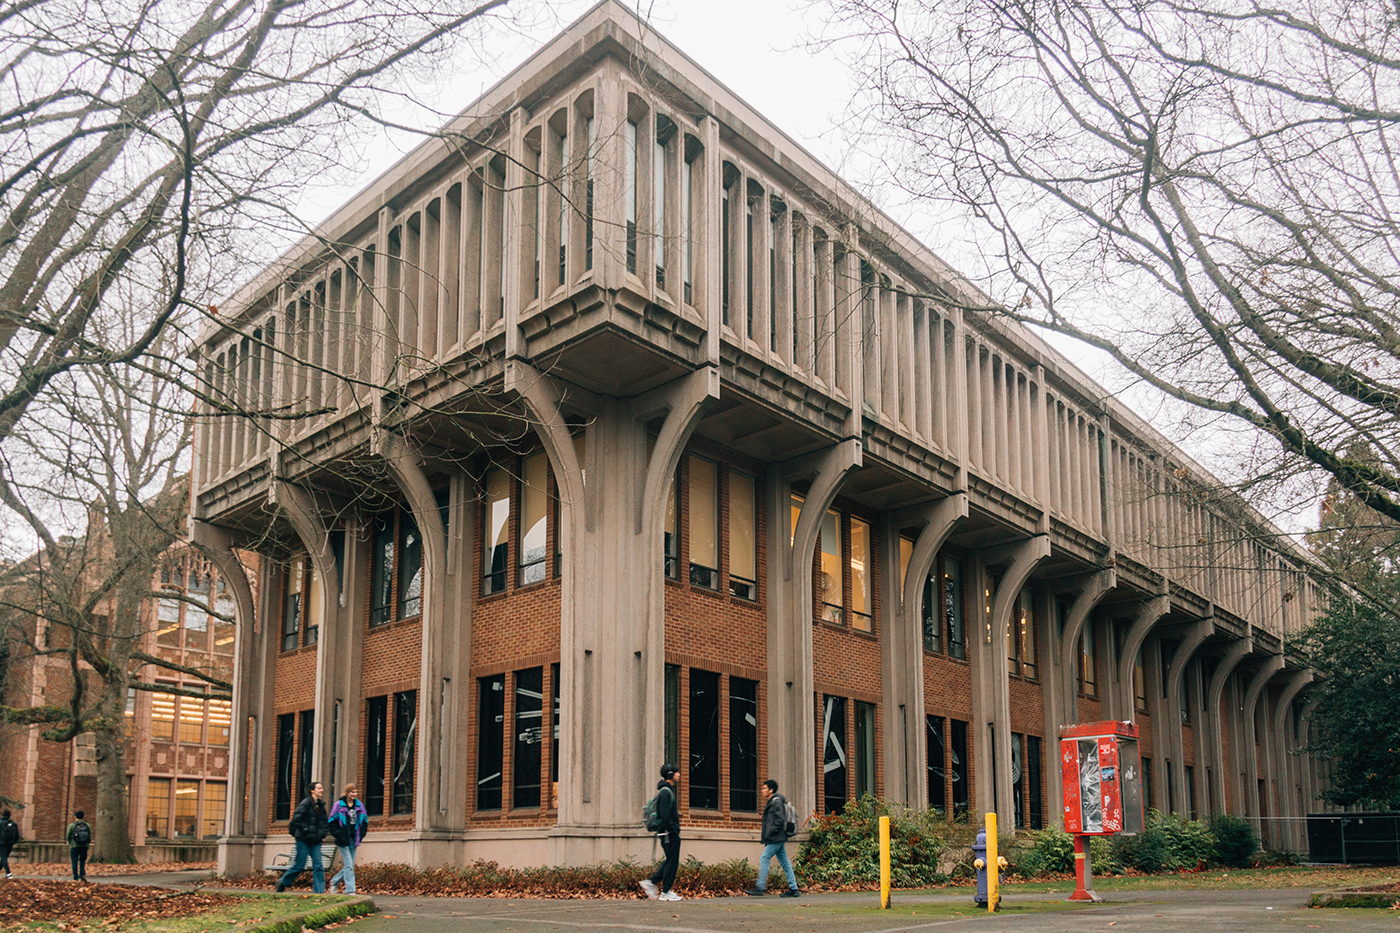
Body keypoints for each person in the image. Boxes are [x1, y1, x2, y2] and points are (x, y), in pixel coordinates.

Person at [746, 779, 800, 897]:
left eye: (765, 788)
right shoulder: (773, 801)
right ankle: (794, 889)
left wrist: (771, 833)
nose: (762, 791)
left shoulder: (776, 801)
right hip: (777, 837)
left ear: (771, 790)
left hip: (776, 837)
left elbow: (780, 819)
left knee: (764, 858)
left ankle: (760, 887)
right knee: (785, 861)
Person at [638, 763, 682, 902]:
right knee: (672, 862)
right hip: (668, 833)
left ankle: (652, 883)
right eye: (677, 772)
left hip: (668, 833)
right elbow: (664, 815)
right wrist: (672, 829)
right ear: (670, 774)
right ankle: (665, 892)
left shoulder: (665, 791)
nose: (679, 775)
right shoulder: (665, 792)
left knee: (670, 860)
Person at [275, 781, 329, 893]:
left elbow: (324, 823)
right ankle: (283, 882)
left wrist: (321, 834)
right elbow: (297, 819)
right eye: (319, 788)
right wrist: (307, 830)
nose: (321, 790)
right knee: (299, 865)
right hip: (303, 840)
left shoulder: (321, 806)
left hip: (315, 841)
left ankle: (319, 891)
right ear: (312, 790)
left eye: (321, 788)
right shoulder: (305, 803)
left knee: (318, 865)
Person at [327, 783, 369, 894]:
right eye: (352, 792)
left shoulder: (359, 805)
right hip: (342, 840)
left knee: (349, 866)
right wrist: (339, 834)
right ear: (347, 793)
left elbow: (364, 821)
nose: (354, 794)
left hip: (354, 839)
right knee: (349, 865)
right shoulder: (339, 805)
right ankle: (350, 890)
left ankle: (334, 881)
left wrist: (362, 835)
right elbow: (331, 822)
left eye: (355, 792)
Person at [65, 810, 92, 882]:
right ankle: (82, 875)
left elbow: (68, 835)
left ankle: (75, 877)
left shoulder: (71, 825)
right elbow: (89, 835)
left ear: (75, 817)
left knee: (74, 861)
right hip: (84, 846)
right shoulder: (87, 825)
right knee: (82, 861)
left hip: (74, 845)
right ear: (83, 817)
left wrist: (70, 843)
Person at [0, 808, 19, 879]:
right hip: (9, 843)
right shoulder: (13, 824)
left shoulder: (0, 823)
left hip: (1, 843)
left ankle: (8, 873)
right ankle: (8, 873)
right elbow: (17, 835)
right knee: (4, 858)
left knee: (3, 858)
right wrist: (13, 842)